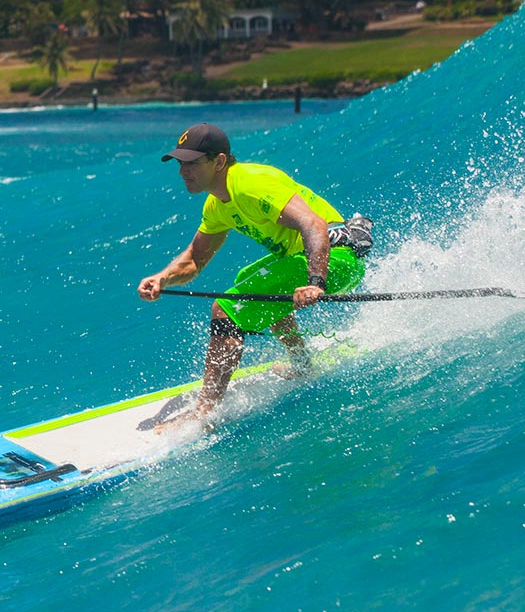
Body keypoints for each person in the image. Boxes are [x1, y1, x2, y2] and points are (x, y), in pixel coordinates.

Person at [137, 123, 373, 423]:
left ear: (219, 161)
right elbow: (195, 259)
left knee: (225, 310)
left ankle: (204, 414)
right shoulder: (217, 204)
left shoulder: (250, 182)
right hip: (308, 260)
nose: (184, 171)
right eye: (181, 163)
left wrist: (316, 283)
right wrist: (163, 278)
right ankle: (302, 364)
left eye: (193, 163)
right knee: (246, 281)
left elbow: (313, 224)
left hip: (337, 260)